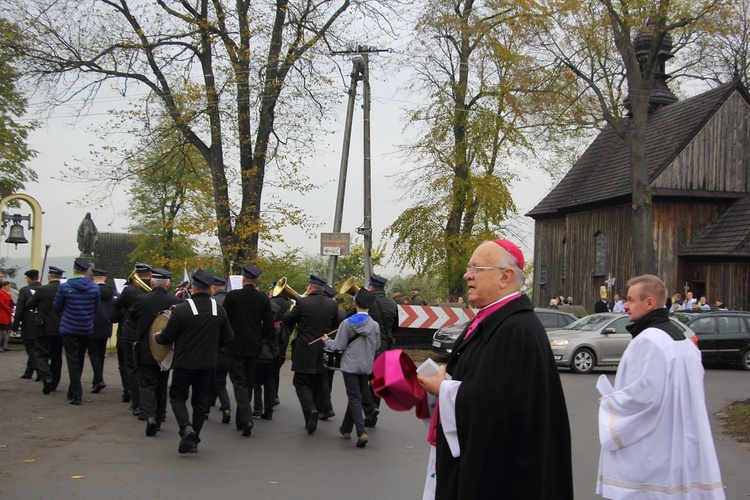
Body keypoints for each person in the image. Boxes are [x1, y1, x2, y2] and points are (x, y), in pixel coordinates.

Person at [417, 239, 573, 499]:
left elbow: (492, 408)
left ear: (506, 277)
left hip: (503, 476)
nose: (467, 275)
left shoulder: (515, 329)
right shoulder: (490, 320)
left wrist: (442, 388)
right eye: (469, 268)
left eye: (477, 268)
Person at [596, 275, 724, 499]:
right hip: (683, 434)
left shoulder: (648, 341)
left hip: (656, 443)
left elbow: (645, 397)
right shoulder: (682, 339)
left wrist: (610, 403)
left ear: (649, 303)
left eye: (630, 300)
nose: (625, 305)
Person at [155, 269, 234, 454]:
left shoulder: (182, 309)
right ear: (210, 289)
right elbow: (228, 337)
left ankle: (186, 428)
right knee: (200, 402)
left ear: (193, 287)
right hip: (208, 364)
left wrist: (158, 337)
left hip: (184, 362)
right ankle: (194, 440)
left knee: (177, 397)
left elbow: (167, 336)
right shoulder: (219, 310)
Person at [322, 288, 380, 448]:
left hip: (350, 366)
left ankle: (361, 432)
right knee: (357, 395)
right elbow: (377, 346)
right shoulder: (374, 325)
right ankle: (346, 428)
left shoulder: (347, 323)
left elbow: (338, 346)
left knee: (355, 397)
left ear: (355, 303)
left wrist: (327, 341)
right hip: (366, 365)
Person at [222, 263, 274, 436]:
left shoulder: (232, 296)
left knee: (238, 382)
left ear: (243, 279)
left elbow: (224, 320)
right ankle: (241, 421)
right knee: (248, 382)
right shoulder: (263, 299)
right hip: (254, 346)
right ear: (257, 280)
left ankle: (246, 418)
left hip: (234, 345)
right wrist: (258, 336)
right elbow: (269, 325)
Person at [284, 274, 339, 434]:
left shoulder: (302, 302)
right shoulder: (332, 304)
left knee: (300, 383)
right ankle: (313, 412)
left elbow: (288, 321)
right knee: (317, 383)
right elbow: (335, 326)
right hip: (323, 349)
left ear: (309, 286)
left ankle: (310, 412)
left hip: (304, 349)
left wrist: (292, 309)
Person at [132, 268, 181, 436]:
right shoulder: (176, 300)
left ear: (152, 283)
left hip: (146, 349)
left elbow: (131, 317)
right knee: (162, 383)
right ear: (168, 285)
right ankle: (160, 417)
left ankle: (150, 416)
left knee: (147, 384)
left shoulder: (141, 299)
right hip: (166, 350)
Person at [53, 258, 100, 405]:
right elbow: (96, 309)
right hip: (85, 327)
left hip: (69, 327)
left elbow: (57, 307)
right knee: (79, 358)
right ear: (87, 272)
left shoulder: (65, 287)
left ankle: (76, 393)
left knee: (72, 360)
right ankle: (72, 390)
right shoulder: (94, 288)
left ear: (74, 270)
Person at [112, 263, 152, 416]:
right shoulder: (156, 287)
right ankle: (148, 403)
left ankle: (136, 403)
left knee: (133, 369)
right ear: (150, 274)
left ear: (137, 274)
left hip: (131, 334)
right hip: (148, 334)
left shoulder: (129, 290)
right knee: (148, 369)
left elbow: (116, 305)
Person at [362, 273, 399, 428]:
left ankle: (368, 409)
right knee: (377, 382)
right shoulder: (392, 304)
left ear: (371, 287)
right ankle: (373, 415)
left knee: (362, 380)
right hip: (385, 348)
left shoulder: (366, 302)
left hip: (367, 346)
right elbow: (395, 328)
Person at [27, 266, 65, 395]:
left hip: (43, 327)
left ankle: (46, 377)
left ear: (49, 277)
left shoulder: (42, 290)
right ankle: (54, 383)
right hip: (60, 326)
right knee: (57, 356)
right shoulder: (64, 289)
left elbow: (30, 304)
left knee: (41, 355)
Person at [208, 277, 232, 424]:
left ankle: (205, 409)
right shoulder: (231, 302)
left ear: (214, 288)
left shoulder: (212, 303)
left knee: (207, 380)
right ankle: (226, 408)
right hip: (226, 347)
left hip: (211, 347)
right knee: (221, 381)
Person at [13, 269, 43, 378]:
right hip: (41, 322)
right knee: (36, 348)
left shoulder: (24, 291)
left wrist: (15, 326)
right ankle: (29, 371)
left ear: (29, 278)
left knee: (30, 348)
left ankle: (40, 369)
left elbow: (19, 309)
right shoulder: (44, 289)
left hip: (28, 323)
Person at [89, 269, 115, 393]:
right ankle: (96, 380)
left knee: (93, 354)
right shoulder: (111, 291)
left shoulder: (91, 291)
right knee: (100, 353)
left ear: (94, 278)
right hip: (106, 325)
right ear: (105, 278)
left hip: (93, 325)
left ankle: (99, 380)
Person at [0, 281, 15, 351]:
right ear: (3, 286)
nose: (9, 288)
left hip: (8, 315)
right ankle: (1, 346)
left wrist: (12, 309)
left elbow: (11, 303)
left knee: (9, 330)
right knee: (2, 331)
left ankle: (5, 345)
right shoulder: (1, 293)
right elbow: (2, 304)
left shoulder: (9, 294)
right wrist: (10, 310)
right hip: (2, 315)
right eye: (8, 286)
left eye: (10, 286)